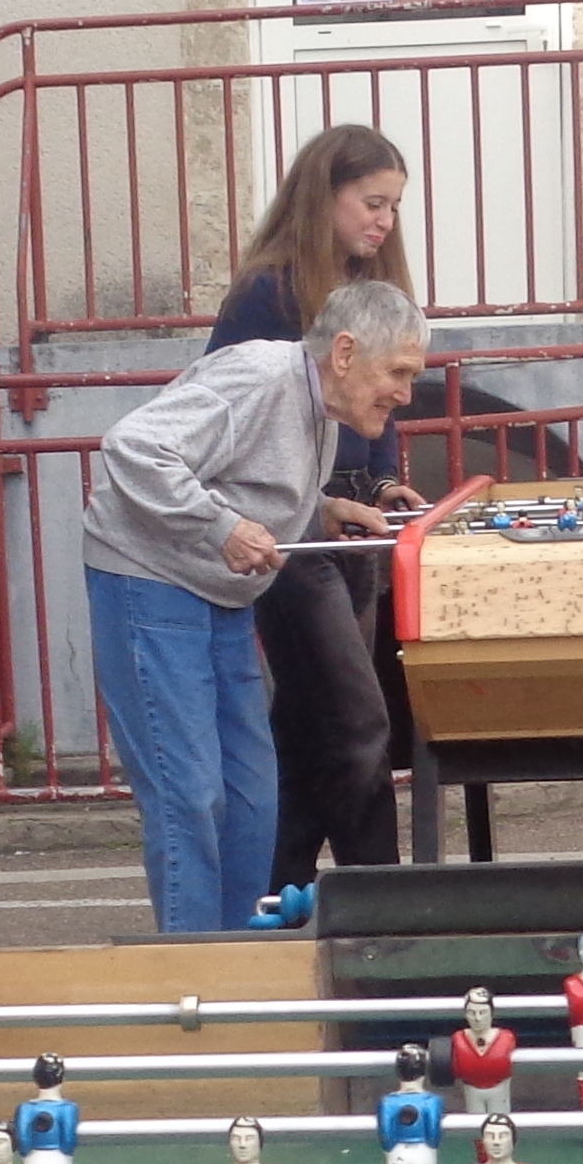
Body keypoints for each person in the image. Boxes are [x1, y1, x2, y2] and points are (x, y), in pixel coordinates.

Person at [82, 279, 431, 936]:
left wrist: (324, 509)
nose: (406, 394)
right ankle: (197, 968)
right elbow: (134, 448)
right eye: (398, 372)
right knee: (189, 795)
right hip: (150, 581)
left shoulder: (319, 403)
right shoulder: (259, 378)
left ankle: (241, 953)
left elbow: (240, 475)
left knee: (251, 793)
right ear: (345, 353)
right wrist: (222, 528)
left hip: (219, 593)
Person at [206, 125, 417, 881]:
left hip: (355, 521)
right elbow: (224, 410)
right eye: (371, 202)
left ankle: (269, 898)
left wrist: (385, 480)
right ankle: (384, 903)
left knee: (308, 731)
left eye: (394, 207)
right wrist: (316, 499)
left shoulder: (371, 288)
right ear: (322, 195)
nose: (384, 221)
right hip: (294, 527)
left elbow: (383, 401)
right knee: (359, 723)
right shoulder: (268, 292)